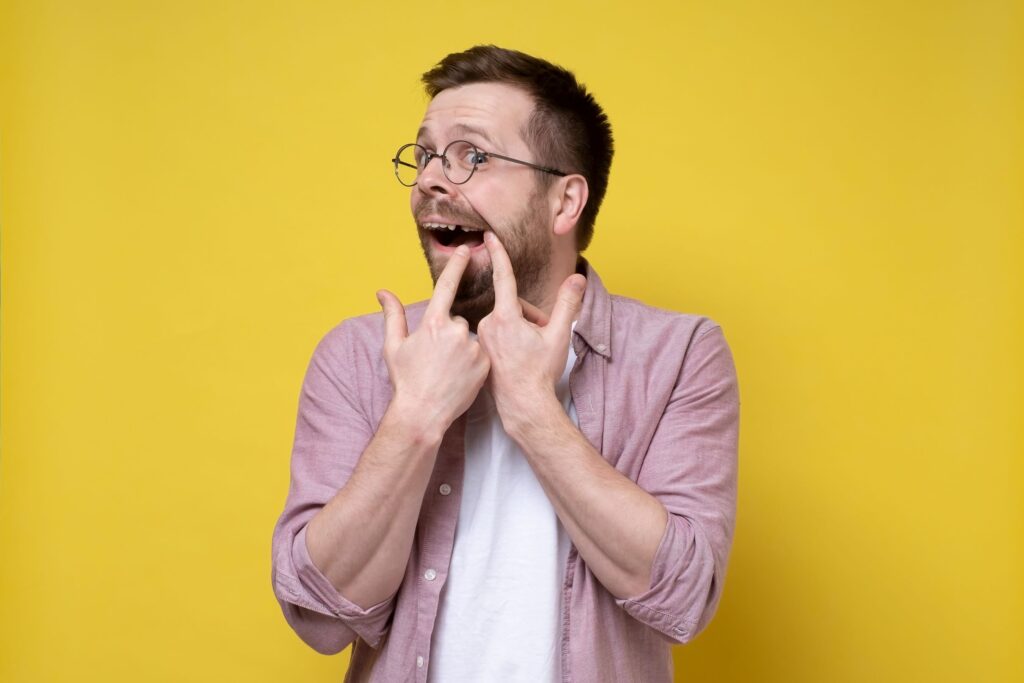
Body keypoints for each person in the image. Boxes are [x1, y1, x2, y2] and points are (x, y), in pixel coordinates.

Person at [270, 45, 740, 682]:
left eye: (474, 156)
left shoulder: (678, 354)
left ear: (564, 202)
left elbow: (682, 600)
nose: (433, 179)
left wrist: (533, 410)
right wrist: (413, 418)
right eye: (427, 155)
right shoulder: (359, 356)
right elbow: (318, 617)